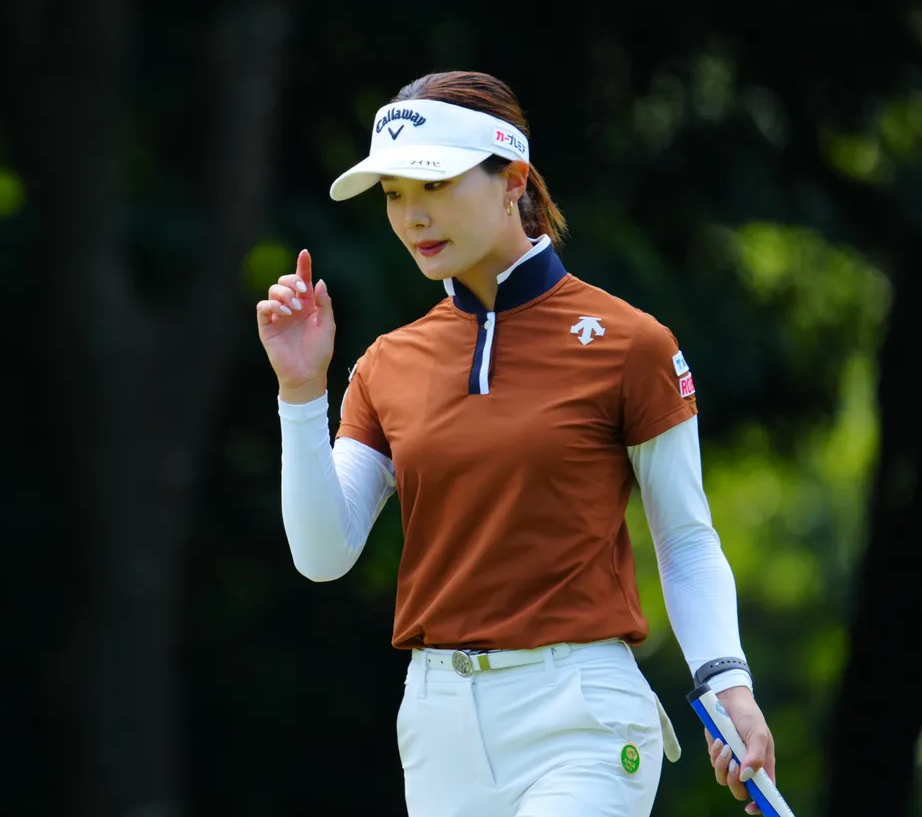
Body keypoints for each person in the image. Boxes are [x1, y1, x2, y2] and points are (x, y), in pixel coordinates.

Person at [255, 70, 778, 816]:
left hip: (582, 715)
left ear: (513, 181)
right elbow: (322, 552)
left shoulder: (630, 344)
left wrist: (729, 685)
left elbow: (686, 541)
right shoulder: (387, 364)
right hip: (438, 727)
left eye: (435, 185)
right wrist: (302, 391)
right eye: (395, 193)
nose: (412, 216)